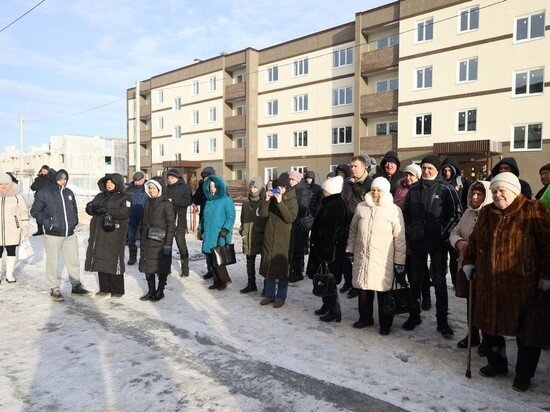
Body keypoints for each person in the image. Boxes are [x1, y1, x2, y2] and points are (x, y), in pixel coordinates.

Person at [462, 172, 550, 392]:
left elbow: (548, 246)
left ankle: (524, 374)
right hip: (489, 283)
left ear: (513, 190)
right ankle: (497, 363)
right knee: (490, 326)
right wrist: (469, 262)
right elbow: (473, 242)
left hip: (523, 286)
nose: (497, 194)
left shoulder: (532, 210)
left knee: (526, 332)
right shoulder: (486, 214)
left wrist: (546, 276)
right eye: (494, 191)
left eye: (501, 190)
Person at [402, 155, 462, 337]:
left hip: (438, 244)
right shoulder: (413, 190)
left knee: (439, 281)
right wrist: (409, 233)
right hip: (418, 242)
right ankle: (414, 315)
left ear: (437, 170)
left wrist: (443, 234)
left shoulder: (446, 188)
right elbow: (405, 214)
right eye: (425, 167)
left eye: (431, 168)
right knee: (415, 279)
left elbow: (456, 214)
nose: (427, 171)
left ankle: (442, 321)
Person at [346, 177, 406, 335]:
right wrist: (350, 250)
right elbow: (353, 231)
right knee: (363, 289)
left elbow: (399, 238)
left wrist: (399, 262)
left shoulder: (394, 210)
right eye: (373, 189)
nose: (375, 193)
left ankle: (385, 324)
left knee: (384, 292)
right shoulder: (361, 207)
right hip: (363, 256)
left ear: (385, 192)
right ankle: (365, 318)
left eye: (379, 190)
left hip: (383, 259)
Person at [30, 168, 93, 301]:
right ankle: (54, 287)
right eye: (60, 178)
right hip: (53, 234)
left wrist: (74, 222)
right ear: (54, 179)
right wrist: (49, 223)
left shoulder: (69, 192)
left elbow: (74, 209)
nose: (63, 181)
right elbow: (35, 211)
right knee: (52, 261)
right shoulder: (44, 192)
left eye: (65, 179)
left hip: (69, 233)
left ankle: (76, 286)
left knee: (73, 260)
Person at [448, 180, 492, 353]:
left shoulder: (489, 214)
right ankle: (472, 335)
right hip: (465, 263)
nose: (474, 197)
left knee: (483, 304)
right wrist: (459, 243)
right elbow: (455, 231)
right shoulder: (467, 212)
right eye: (473, 193)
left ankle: (487, 341)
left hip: (482, 267)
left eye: (479, 194)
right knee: (470, 302)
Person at [306, 176, 347, 322]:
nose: (323, 192)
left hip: (328, 253)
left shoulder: (333, 206)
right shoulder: (330, 204)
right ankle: (326, 305)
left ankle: (334, 311)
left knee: (328, 280)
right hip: (324, 251)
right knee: (324, 278)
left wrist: (325, 253)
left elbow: (330, 233)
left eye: (325, 190)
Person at [84, 174, 131, 297]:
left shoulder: (124, 197)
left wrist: (107, 210)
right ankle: (104, 288)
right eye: (107, 182)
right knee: (100, 259)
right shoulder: (100, 196)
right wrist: (93, 209)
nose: (109, 184)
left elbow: (124, 212)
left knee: (114, 260)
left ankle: (117, 290)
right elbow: (89, 207)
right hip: (98, 234)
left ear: (118, 183)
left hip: (114, 234)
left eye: (112, 182)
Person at [259, 174, 298, 308]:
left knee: (282, 269)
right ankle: (269, 296)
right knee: (268, 267)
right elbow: (263, 214)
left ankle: (280, 297)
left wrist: (280, 202)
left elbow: (290, 218)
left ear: (286, 188)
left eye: (282, 187)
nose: (279, 190)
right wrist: (266, 199)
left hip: (284, 239)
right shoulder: (271, 199)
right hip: (270, 237)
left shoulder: (292, 199)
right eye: (277, 187)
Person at [340, 156, 373, 298]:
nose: (352, 169)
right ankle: (348, 281)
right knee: (346, 256)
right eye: (351, 166)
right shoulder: (347, 182)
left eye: (355, 166)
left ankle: (356, 285)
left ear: (364, 167)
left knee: (357, 258)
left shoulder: (370, 183)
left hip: (362, 226)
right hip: (346, 224)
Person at [138, 179, 175, 301]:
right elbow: (144, 223)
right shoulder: (148, 202)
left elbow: (171, 226)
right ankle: (151, 291)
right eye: (150, 188)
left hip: (161, 241)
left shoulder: (166, 204)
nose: (152, 190)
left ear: (159, 189)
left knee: (161, 268)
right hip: (148, 241)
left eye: (154, 188)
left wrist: (168, 244)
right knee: (148, 268)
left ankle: (160, 291)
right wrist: (142, 240)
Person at [198, 174, 236, 291]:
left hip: (220, 234)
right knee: (210, 259)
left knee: (218, 259)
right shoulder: (209, 201)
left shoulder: (226, 200)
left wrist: (225, 229)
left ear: (219, 187)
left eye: (214, 186)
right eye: (210, 186)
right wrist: (200, 229)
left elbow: (231, 216)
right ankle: (216, 280)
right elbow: (204, 217)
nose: (211, 189)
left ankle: (224, 280)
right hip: (209, 233)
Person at [440, 156, 469, 288]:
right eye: (444, 170)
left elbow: (467, 201)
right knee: (442, 255)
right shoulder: (439, 184)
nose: (447, 173)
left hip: (458, 223)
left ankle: (455, 281)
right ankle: (441, 278)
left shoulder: (462, 182)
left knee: (455, 255)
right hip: (442, 223)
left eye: (449, 170)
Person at [239, 176, 267, 293]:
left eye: (255, 187)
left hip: (261, 236)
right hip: (248, 236)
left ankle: (267, 287)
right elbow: (242, 218)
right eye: (251, 187)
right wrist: (243, 230)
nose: (252, 189)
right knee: (249, 262)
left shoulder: (265, 201)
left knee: (265, 262)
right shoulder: (246, 203)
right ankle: (251, 284)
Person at [0, 172, 29, 284]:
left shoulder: (17, 196)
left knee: (11, 251)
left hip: (12, 229)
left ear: (10, 184)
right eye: (1, 184)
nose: (3, 186)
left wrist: (25, 226)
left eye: (6, 184)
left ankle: (9, 275)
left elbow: (23, 211)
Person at [165, 168, 192, 278]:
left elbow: (188, 201)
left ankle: (185, 269)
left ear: (177, 178)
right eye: (168, 178)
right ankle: (166, 268)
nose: (170, 180)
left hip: (180, 221)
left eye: (172, 178)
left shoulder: (185, 187)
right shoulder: (166, 188)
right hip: (168, 221)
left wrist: (173, 201)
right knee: (167, 245)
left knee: (181, 245)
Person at [192, 166, 216, 279]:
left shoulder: (217, 187)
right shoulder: (203, 187)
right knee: (206, 247)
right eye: (204, 178)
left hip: (215, 221)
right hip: (204, 220)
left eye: (208, 177)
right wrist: (201, 187)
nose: (206, 180)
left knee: (214, 248)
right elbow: (195, 200)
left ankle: (217, 271)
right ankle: (209, 269)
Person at [288, 171, 310, 283]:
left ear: (297, 180)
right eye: (290, 179)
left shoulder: (303, 190)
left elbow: (303, 208)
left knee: (298, 249)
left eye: (292, 179)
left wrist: (290, 211)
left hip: (300, 224)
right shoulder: (293, 189)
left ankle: (298, 272)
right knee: (294, 248)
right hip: (293, 223)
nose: (290, 181)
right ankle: (294, 270)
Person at [126, 171, 147, 265]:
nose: (137, 183)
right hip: (132, 217)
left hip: (145, 217)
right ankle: (132, 257)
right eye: (135, 181)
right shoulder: (129, 189)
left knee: (144, 238)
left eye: (139, 181)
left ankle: (144, 258)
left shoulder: (148, 188)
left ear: (143, 179)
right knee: (131, 238)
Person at [30, 165, 50, 236]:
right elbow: (32, 187)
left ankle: (48, 229)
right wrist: (40, 187)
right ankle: (40, 230)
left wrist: (39, 187)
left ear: (48, 171)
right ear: (41, 170)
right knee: (38, 213)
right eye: (43, 169)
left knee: (47, 214)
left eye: (45, 169)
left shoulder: (50, 179)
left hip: (47, 199)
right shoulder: (37, 179)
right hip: (38, 199)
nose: (44, 170)